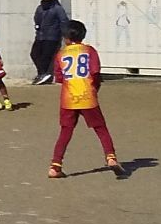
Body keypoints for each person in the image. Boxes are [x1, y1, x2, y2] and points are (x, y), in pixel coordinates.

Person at [48, 20, 126, 179]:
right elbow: (96, 73)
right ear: (82, 36)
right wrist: (95, 88)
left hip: (68, 98)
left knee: (65, 131)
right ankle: (110, 157)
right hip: (87, 96)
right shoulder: (89, 51)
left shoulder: (60, 54)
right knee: (100, 128)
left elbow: (60, 78)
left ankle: (55, 166)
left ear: (65, 38)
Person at [31, 0, 70, 85]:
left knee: (46, 57)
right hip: (40, 36)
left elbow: (64, 21)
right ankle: (42, 74)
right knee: (34, 54)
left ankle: (44, 75)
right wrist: (37, 26)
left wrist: (65, 34)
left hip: (52, 37)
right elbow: (36, 18)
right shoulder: (40, 8)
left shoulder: (58, 9)